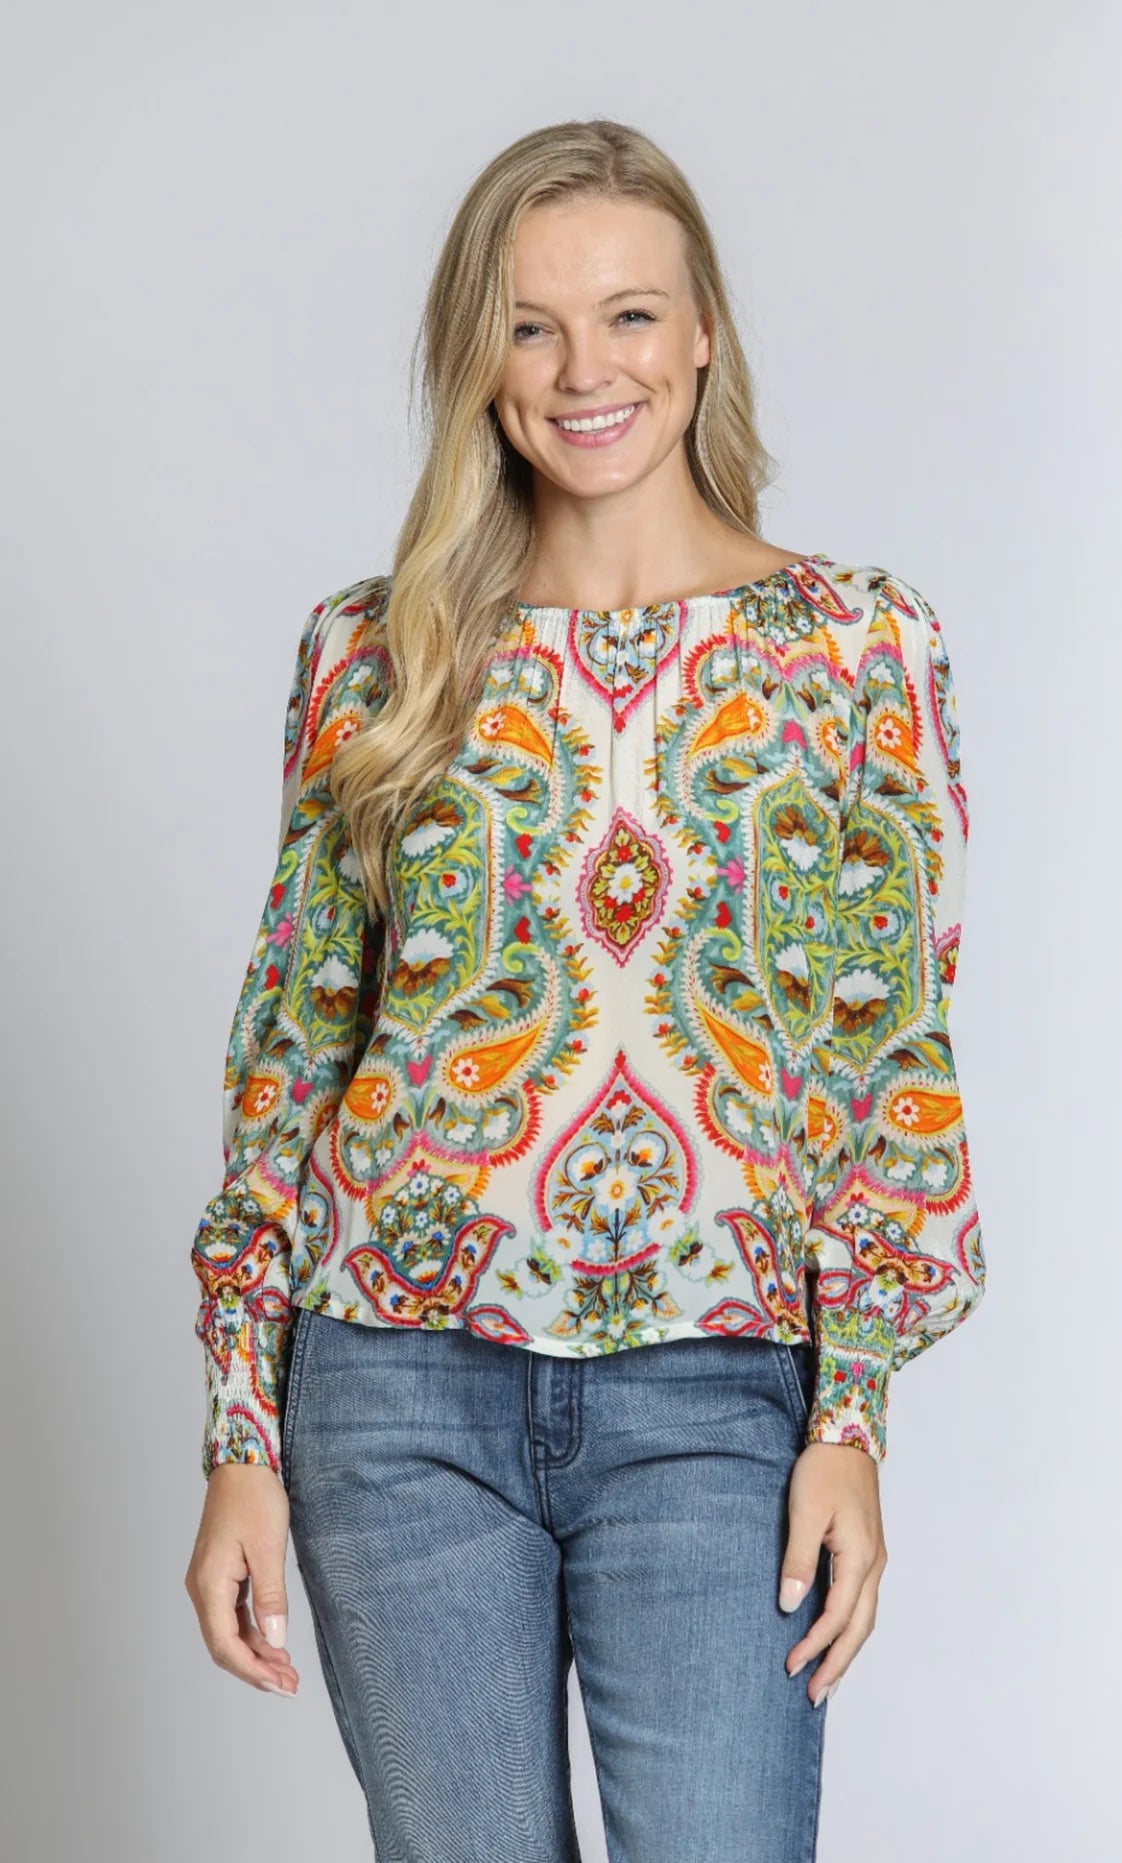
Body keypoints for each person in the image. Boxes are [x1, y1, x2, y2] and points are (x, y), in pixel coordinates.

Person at [184, 117, 985, 1863]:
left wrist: (850, 1419)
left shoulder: (857, 647)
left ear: (703, 333)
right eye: (530, 326)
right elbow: (290, 1054)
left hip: (715, 1389)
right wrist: (241, 1432)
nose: (583, 370)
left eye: (628, 315)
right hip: (391, 1389)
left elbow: (889, 1059)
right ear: (478, 357)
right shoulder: (375, 654)